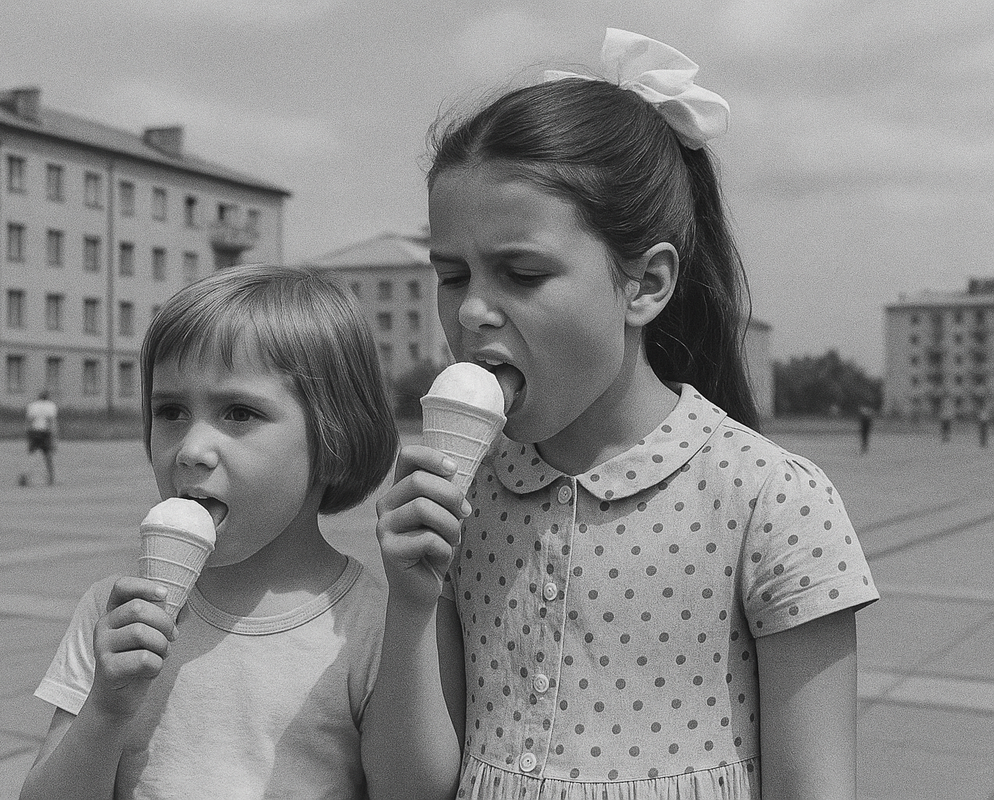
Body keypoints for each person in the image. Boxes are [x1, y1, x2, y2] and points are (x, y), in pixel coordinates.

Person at [365, 29, 880, 800]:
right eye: (451, 273)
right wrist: (409, 604)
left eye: (522, 272)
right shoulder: (463, 506)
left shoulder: (773, 503)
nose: (472, 309)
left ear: (645, 285)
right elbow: (411, 788)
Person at [20, 265, 402, 799]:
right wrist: (106, 710)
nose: (191, 449)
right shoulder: (114, 613)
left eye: (239, 413)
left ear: (333, 438)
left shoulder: (371, 625)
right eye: (171, 411)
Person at [21, 390, 59, 486]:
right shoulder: (51, 405)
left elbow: (29, 420)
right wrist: (54, 436)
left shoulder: (32, 405)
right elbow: (50, 420)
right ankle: (51, 477)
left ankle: (24, 474)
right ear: (47, 397)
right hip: (45, 432)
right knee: (47, 455)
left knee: (32, 454)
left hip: (33, 431)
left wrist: (28, 433)